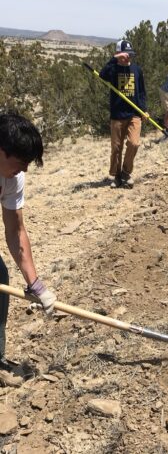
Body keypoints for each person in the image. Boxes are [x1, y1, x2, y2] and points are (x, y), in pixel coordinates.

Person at [0, 113, 56, 385]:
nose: (24, 170)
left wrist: (35, 284)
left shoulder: (12, 177)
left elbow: (15, 231)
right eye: (21, 162)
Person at [100, 40, 147, 189]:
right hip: (117, 114)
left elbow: (141, 92)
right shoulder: (113, 69)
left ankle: (126, 172)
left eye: (130, 55)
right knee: (116, 148)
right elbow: (102, 75)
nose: (127, 58)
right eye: (125, 55)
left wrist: (144, 109)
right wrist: (114, 59)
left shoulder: (136, 69)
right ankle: (117, 176)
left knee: (134, 143)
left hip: (134, 113)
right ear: (118, 54)